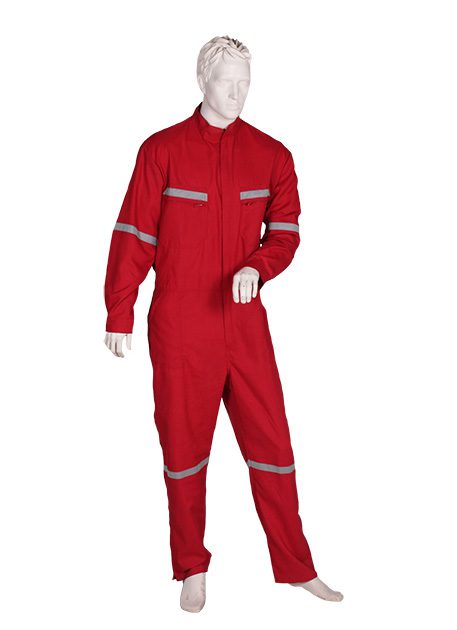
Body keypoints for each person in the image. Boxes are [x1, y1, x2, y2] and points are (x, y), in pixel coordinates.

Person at [104, 35, 343, 613]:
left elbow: (285, 232)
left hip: (244, 324)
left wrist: (258, 267)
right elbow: (134, 233)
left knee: (273, 444)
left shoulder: (272, 155)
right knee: (184, 450)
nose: (236, 94)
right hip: (181, 326)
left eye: (244, 83)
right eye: (225, 82)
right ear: (201, 81)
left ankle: (296, 566)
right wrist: (119, 310)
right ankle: (191, 567)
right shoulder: (161, 150)